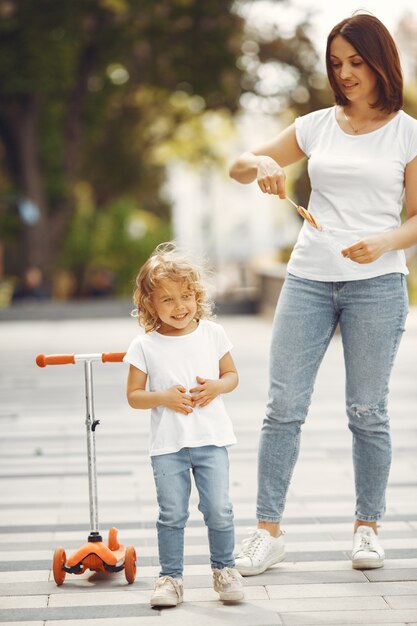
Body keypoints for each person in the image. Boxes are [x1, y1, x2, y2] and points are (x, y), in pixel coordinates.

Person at [229, 12, 417, 576]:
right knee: (282, 408)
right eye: (337, 64)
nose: (346, 73)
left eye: (356, 62)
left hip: (378, 287)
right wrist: (262, 162)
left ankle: (367, 529)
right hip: (308, 280)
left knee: (368, 411)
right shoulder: (317, 126)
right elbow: (239, 165)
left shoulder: (408, 133)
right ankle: (267, 532)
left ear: (381, 60)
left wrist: (386, 241)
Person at [123, 242, 245, 606]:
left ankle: (225, 570)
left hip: (211, 439)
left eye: (186, 296)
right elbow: (133, 395)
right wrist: (163, 397)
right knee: (172, 514)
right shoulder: (144, 345)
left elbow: (231, 375)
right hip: (168, 446)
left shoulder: (213, 334)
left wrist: (217, 387)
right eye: (167, 300)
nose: (180, 307)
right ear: (148, 305)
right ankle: (170, 578)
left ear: (198, 295)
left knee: (219, 509)